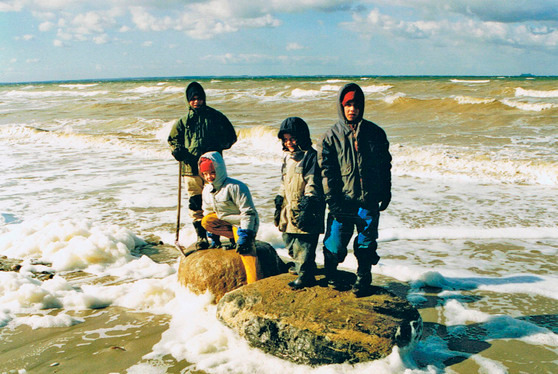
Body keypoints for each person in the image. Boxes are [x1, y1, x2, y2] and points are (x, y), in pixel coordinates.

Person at [317, 83, 392, 296]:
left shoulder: (375, 133)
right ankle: (331, 272)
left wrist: (386, 190)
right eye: (348, 104)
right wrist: (332, 201)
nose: (352, 109)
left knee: (366, 240)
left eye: (356, 105)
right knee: (336, 242)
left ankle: (363, 277)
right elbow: (326, 173)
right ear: (341, 107)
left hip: (368, 200)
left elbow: (385, 165)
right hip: (343, 202)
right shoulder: (330, 137)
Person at [168, 81, 237, 250]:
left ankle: (218, 236)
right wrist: (177, 151)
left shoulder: (216, 117)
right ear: (188, 101)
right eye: (193, 99)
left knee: (216, 201)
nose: (196, 102)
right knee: (195, 202)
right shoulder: (183, 122)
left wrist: (217, 147)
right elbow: (173, 140)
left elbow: (231, 136)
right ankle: (201, 237)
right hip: (190, 169)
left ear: (204, 99)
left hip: (212, 169)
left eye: (199, 98)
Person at [274, 117, 325, 290]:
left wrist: (308, 203)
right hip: (288, 207)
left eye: (293, 139)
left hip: (305, 208)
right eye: (286, 139)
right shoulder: (287, 158)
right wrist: (279, 199)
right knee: (289, 238)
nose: (289, 143)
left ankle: (306, 276)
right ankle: (301, 266)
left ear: (302, 137)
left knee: (304, 243)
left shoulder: (310, 157)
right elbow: (284, 181)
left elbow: (312, 182)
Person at [198, 151, 262, 284]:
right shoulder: (206, 190)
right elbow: (208, 211)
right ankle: (232, 238)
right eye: (205, 174)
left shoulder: (235, 187)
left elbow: (248, 213)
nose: (209, 176)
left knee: (247, 252)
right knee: (205, 221)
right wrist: (213, 235)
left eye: (212, 172)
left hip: (242, 224)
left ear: (219, 169)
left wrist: (245, 234)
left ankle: (253, 283)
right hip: (225, 221)